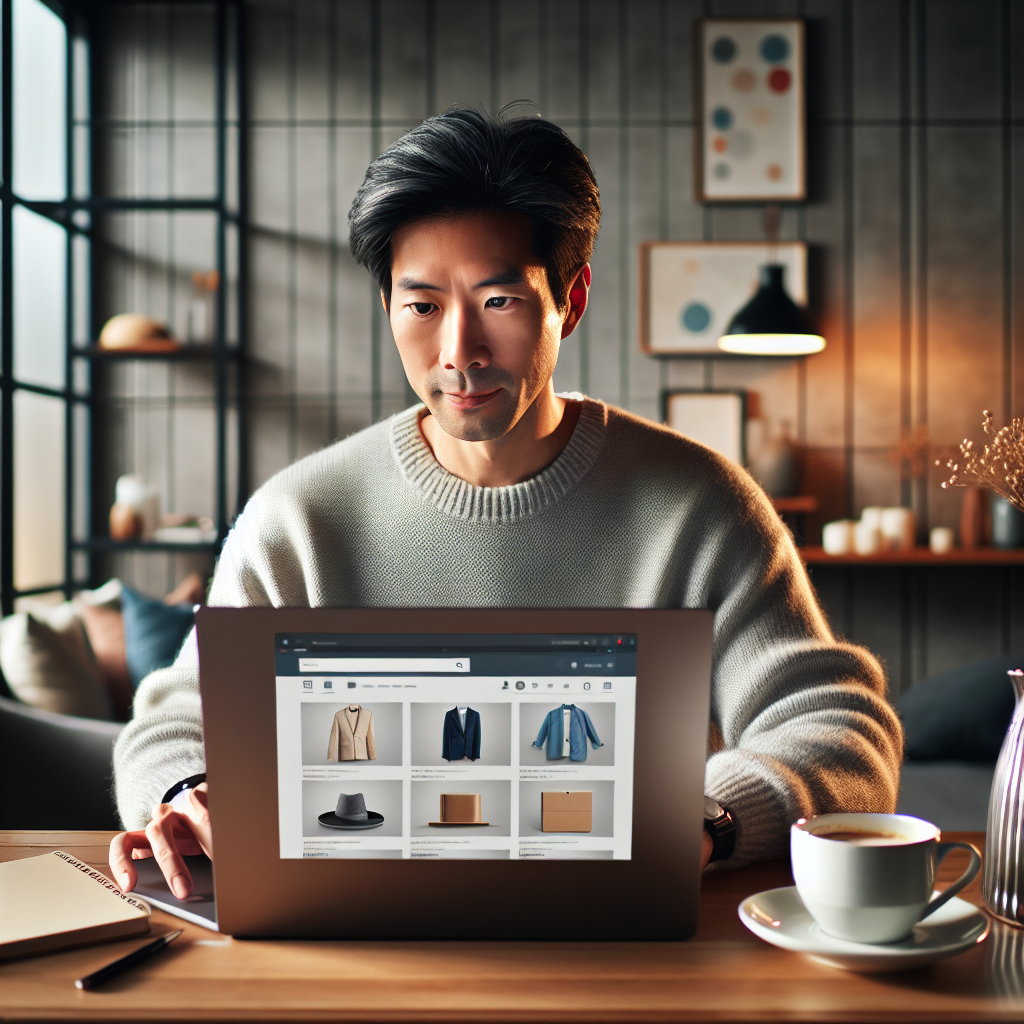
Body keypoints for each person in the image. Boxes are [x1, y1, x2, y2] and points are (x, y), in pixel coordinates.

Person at [109, 107, 902, 899]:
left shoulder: (698, 506)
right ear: (388, 305)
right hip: (353, 942)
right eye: (421, 306)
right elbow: (172, 723)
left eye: (499, 302)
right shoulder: (298, 520)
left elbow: (838, 727)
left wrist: (707, 816)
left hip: (622, 951)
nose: (459, 354)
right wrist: (185, 793)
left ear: (572, 298)